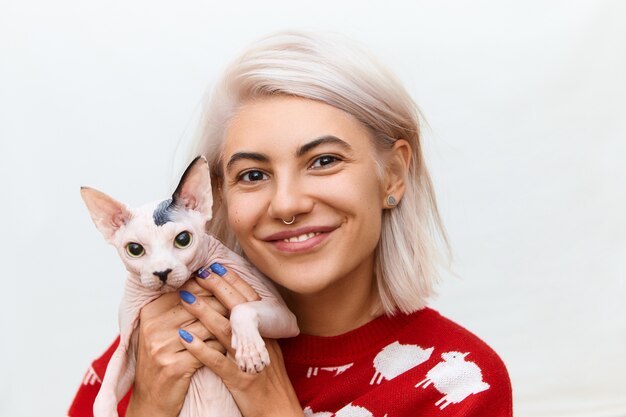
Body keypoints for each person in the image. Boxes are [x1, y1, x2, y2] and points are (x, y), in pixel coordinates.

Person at [69, 31, 512, 416]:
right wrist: (148, 407)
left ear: (392, 176)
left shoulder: (459, 379)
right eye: (253, 175)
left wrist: (271, 406)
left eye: (324, 161)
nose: (287, 204)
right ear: (218, 197)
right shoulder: (159, 347)